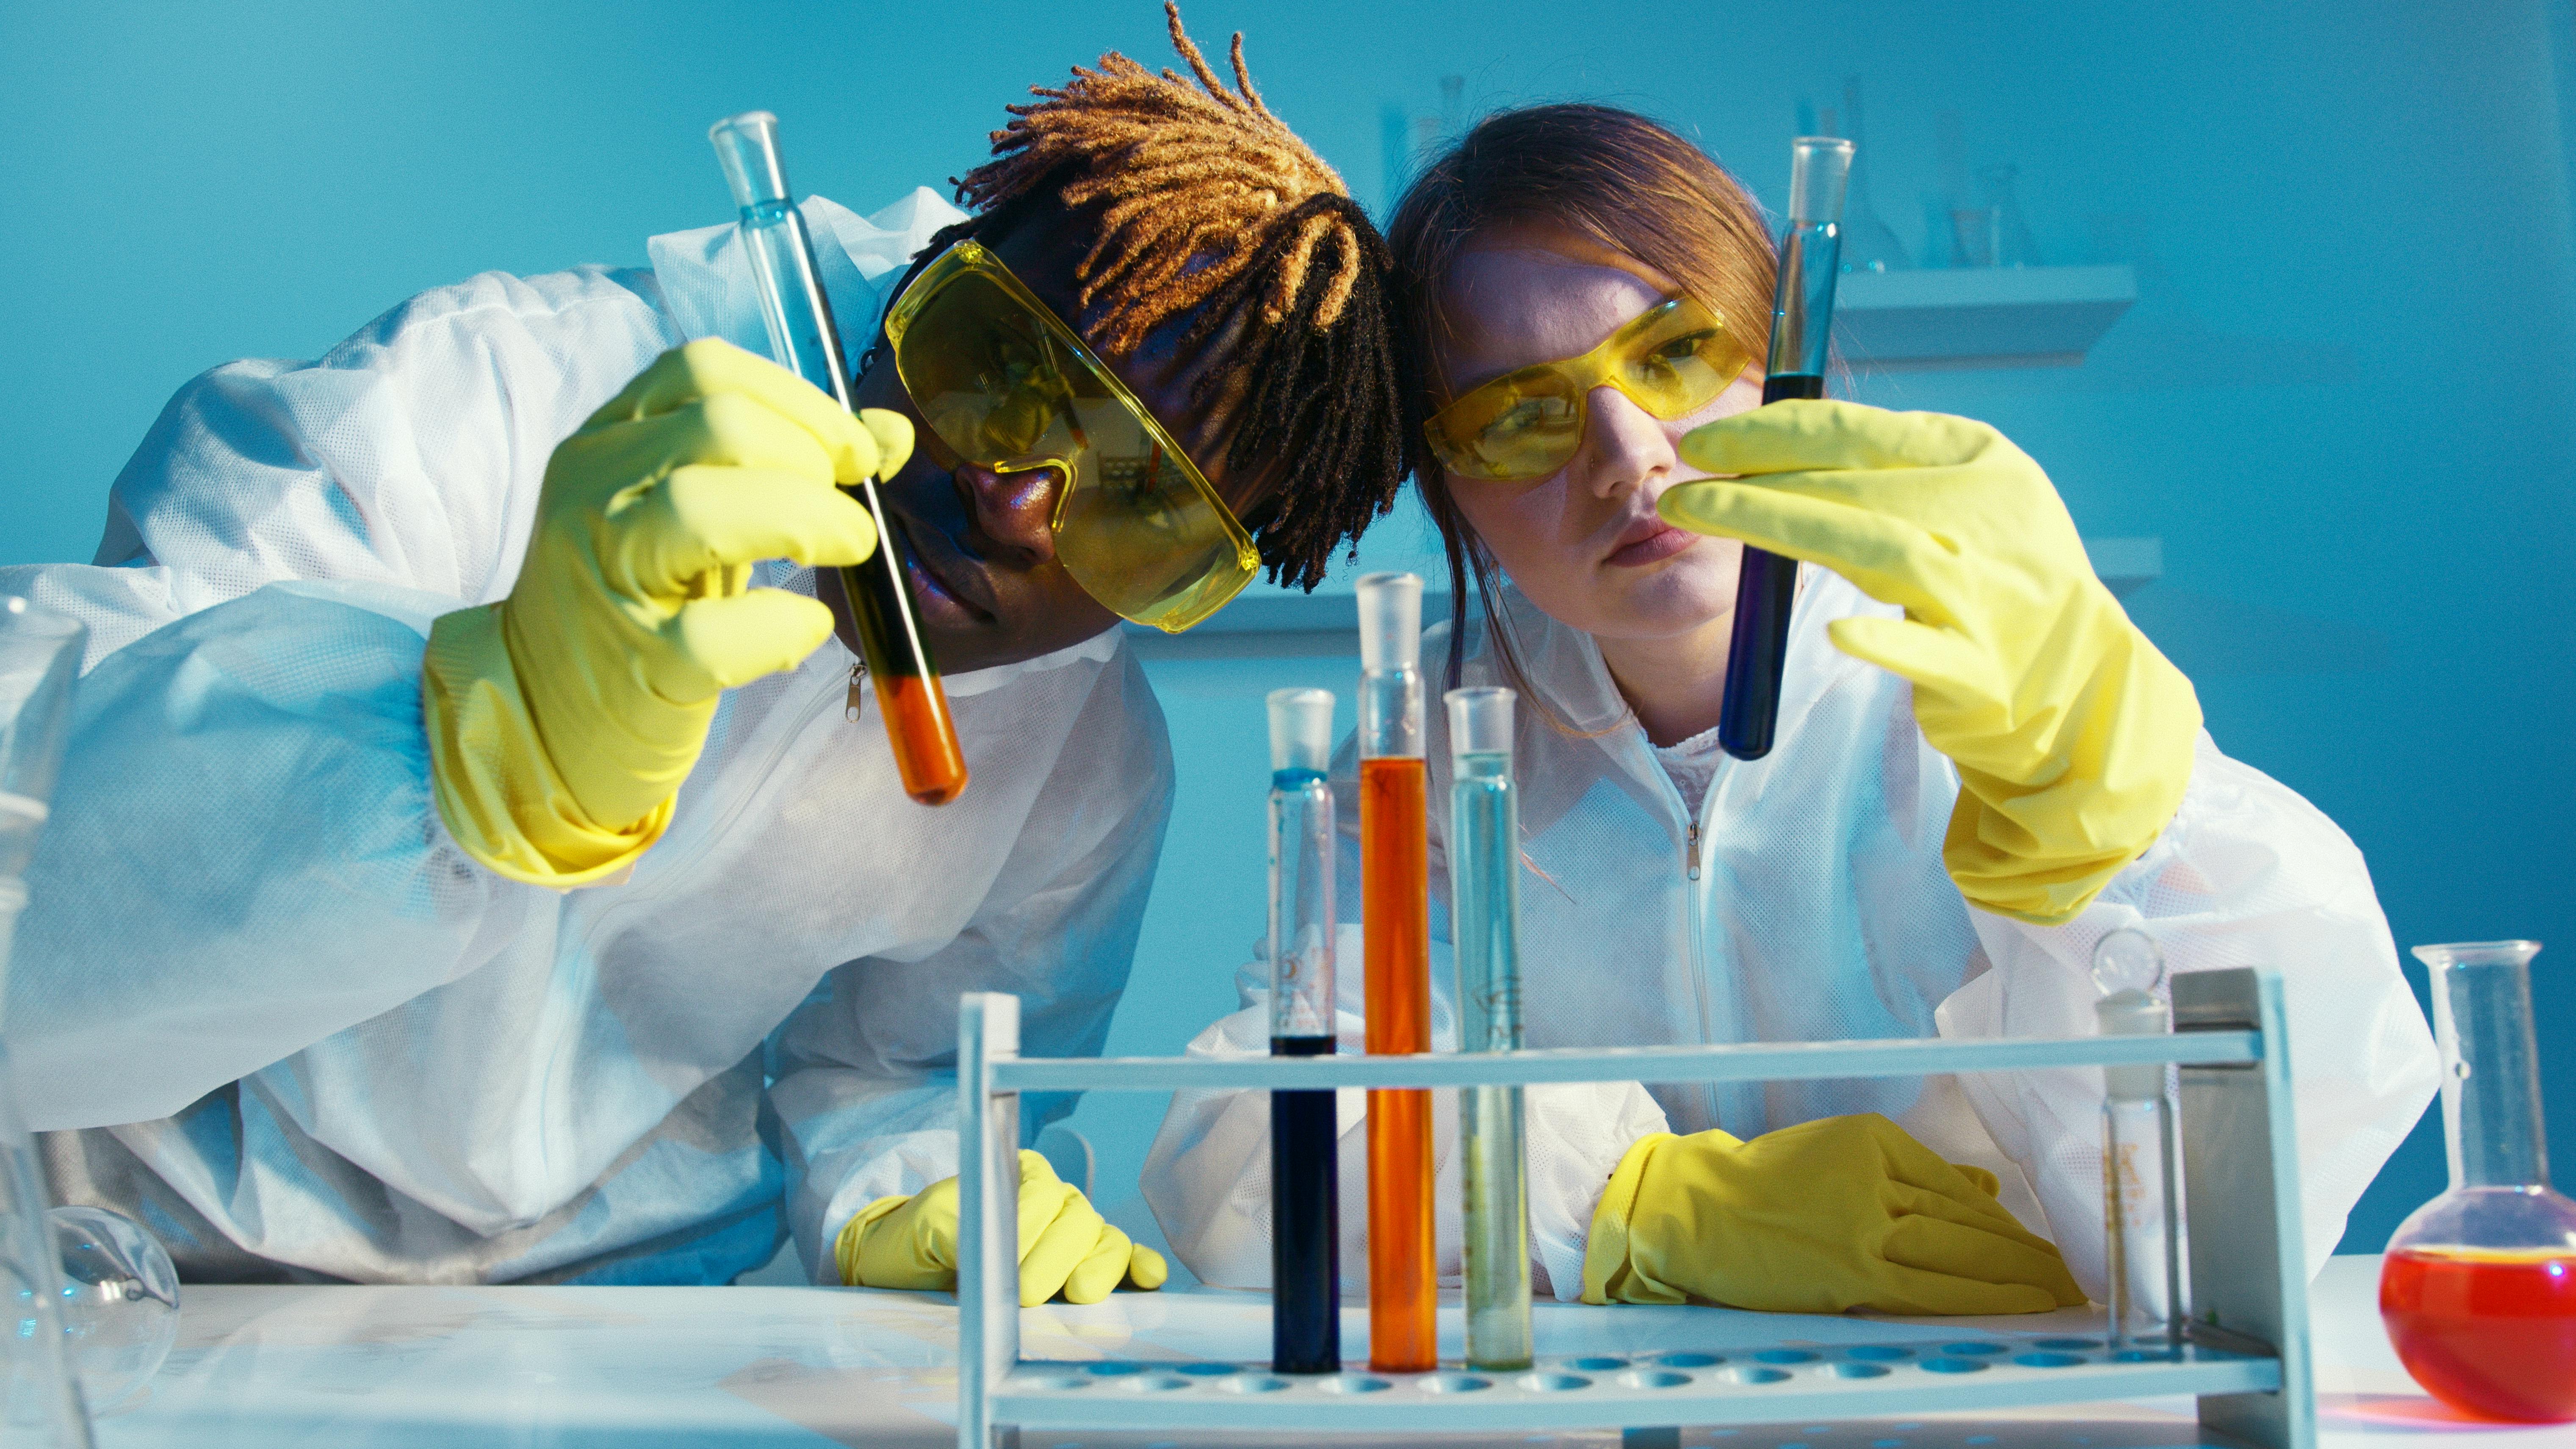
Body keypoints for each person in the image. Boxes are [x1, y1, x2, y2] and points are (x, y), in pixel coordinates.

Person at [1, 7, 1409, 1298]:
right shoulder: (484, 398)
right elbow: (32, 843)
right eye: (1011, 364)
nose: (1017, 498)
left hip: (605, 1315)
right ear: (930, 271)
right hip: (123, 1246)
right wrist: (459, 739)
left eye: (1146, 501)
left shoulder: (1087, 767)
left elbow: (898, 1074)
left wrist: (912, 1183)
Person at [1143, 104, 2438, 1314]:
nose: (1626, 454)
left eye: (1672, 353)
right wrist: (1627, 1205)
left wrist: (2110, 839)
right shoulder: (1432, 736)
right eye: (1520, 415)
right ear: (1445, 486)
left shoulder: (1984, 672)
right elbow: (1257, 1152)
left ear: (1783, 361)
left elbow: (2260, 1193)